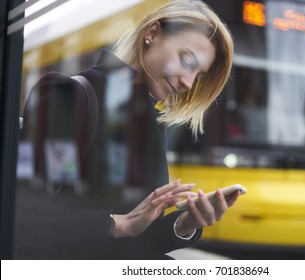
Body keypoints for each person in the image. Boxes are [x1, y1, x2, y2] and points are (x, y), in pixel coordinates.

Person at [14, 0, 237, 259]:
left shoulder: (150, 121)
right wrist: (116, 224)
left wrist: (185, 223)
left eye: (198, 75)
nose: (188, 83)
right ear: (151, 33)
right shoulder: (69, 97)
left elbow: (135, 239)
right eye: (186, 61)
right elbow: (24, 214)